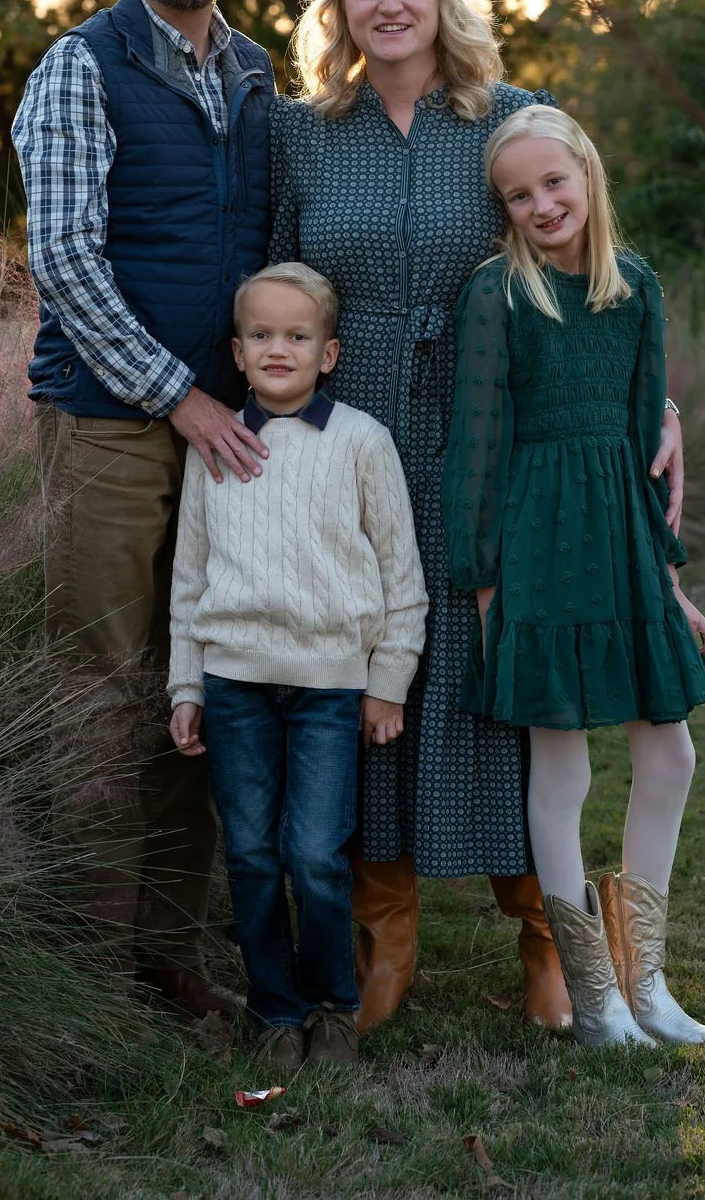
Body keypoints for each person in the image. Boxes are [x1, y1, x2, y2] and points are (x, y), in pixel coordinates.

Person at [269, 0, 686, 1033]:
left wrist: (656, 403)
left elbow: (591, 270)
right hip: (348, 435)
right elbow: (274, 289)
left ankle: (544, 932)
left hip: (498, 441)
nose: (388, 4)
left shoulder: (506, 119)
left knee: (496, 664)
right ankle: (383, 929)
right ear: (339, 7)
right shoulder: (305, 133)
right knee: (362, 667)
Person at [12, 0, 274, 1014]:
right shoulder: (83, 66)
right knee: (97, 684)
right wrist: (178, 394)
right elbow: (65, 257)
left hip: (228, 432)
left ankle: (171, 957)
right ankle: (86, 971)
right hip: (110, 423)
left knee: (196, 682)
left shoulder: (256, 73)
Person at [442, 104, 705, 1047]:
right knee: (563, 762)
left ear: (589, 176)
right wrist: (487, 590)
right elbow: (476, 447)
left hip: (624, 539)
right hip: (537, 543)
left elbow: (649, 444)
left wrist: (668, 581)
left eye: (554, 182)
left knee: (671, 753)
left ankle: (648, 982)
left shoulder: (635, 287)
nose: (541, 204)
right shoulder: (496, 294)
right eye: (518, 194)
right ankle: (594, 997)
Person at [168, 263, 428, 1067]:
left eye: (297, 335)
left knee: (315, 854)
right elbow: (189, 578)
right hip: (234, 683)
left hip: (329, 685)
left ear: (329, 352)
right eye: (261, 334)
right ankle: (276, 1012)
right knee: (251, 854)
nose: (278, 348)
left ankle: (333, 1006)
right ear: (237, 353)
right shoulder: (215, 443)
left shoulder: (360, 440)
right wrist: (186, 683)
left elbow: (402, 576)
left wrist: (387, 681)